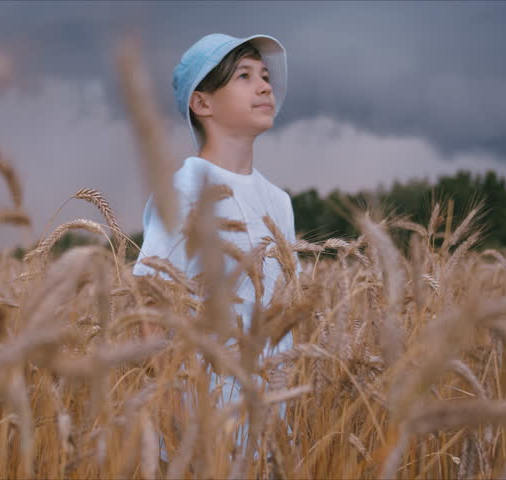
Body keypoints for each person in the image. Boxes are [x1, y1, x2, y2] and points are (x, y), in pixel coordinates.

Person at [132, 33, 301, 447]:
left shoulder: (280, 204)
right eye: (244, 76)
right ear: (202, 103)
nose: (264, 86)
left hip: (274, 431)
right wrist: (185, 424)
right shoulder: (187, 189)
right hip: (209, 430)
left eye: (265, 76)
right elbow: (149, 310)